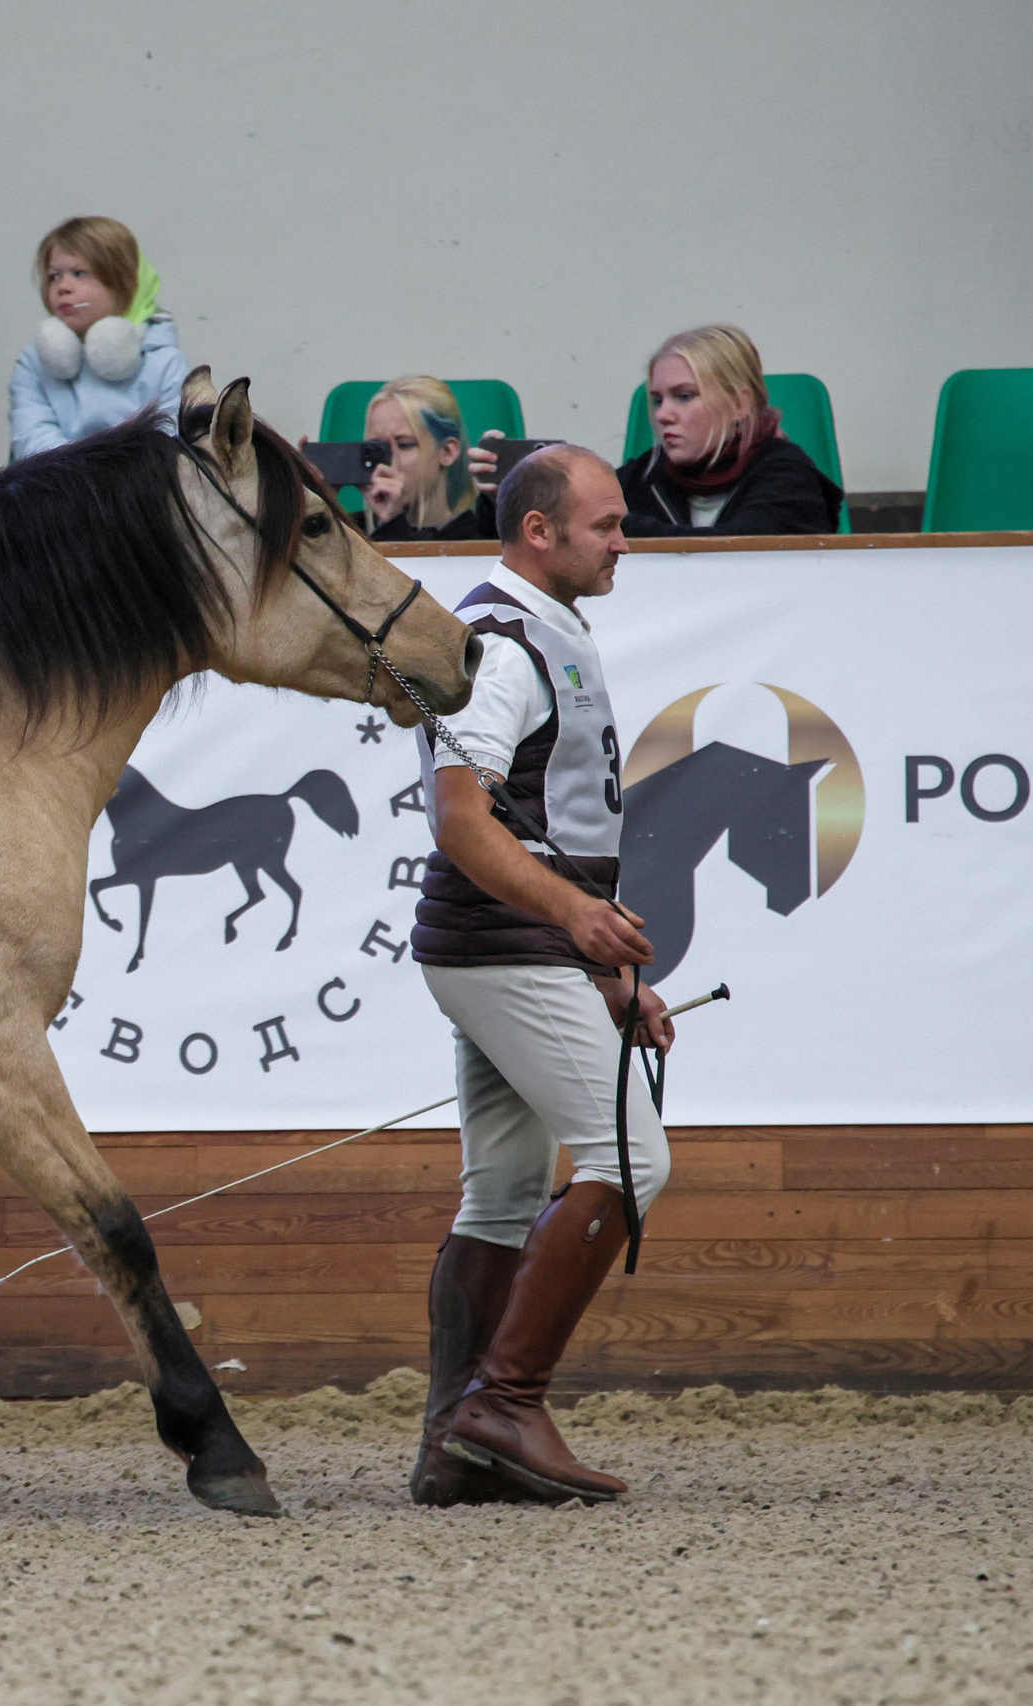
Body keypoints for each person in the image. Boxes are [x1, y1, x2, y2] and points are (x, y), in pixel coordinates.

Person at [405, 445, 674, 1509]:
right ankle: (504, 1401)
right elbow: (459, 817)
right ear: (537, 532)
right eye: (605, 525)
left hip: (502, 947)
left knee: (506, 1192)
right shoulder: (503, 645)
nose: (622, 541)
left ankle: (452, 1442)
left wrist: (597, 962)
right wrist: (579, 924)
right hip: (499, 946)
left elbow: (542, 822)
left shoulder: (545, 630)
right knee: (630, 1158)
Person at [615, 326, 840, 534]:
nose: (662, 415)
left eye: (684, 396)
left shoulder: (789, 477)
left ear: (738, 404)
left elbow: (738, 551)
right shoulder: (642, 476)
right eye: (657, 400)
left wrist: (620, 527)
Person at [8, 216, 186, 459]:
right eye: (54, 276)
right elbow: (32, 438)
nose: (63, 287)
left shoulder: (165, 362)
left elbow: (172, 442)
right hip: (58, 489)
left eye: (79, 273)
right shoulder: (33, 363)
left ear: (125, 282)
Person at [361, 375, 496, 542]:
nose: (387, 461)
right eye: (375, 449)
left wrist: (392, 526)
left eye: (404, 445)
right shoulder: (348, 536)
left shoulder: (482, 537)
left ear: (447, 452)